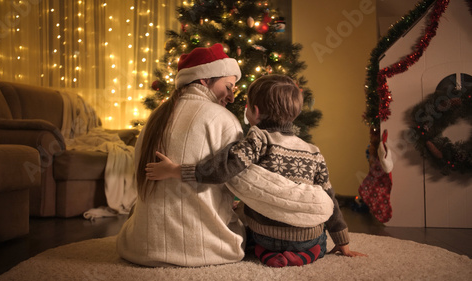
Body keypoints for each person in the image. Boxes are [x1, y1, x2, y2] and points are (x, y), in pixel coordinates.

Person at [116, 43, 313, 267]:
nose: (231, 97)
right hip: (205, 249)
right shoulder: (223, 119)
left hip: (140, 245)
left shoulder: (155, 116)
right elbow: (238, 182)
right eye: (228, 86)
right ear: (204, 79)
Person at [146, 74, 367, 268]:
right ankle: (308, 254)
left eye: (247, 105)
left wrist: (176, 170)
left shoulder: (258, 139)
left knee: (246, 234)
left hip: (266, 235)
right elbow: (329, 198)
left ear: (256, 111)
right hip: (306, 238)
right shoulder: (313, 152)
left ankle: (268, 253)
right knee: (320, 241)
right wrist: (342, 241)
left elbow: (224, 170)